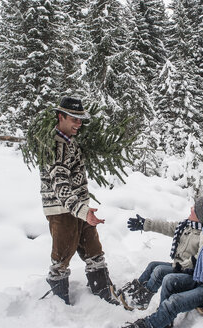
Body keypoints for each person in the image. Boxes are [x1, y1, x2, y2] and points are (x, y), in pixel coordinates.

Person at [122, 189, 203, 328]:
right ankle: (163, 321)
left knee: (174, 300)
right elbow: (200, 257)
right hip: (201, 278)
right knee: (169, 280)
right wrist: (182, 266)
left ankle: (149, 324)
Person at [39, 96, 119, 305]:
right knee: (62, 257)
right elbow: (61, 188)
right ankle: (59, 304)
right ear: (61, 116)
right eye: (74, 119)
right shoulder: (57, 147)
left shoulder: (69, 142)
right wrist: (82, 211)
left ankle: (103, 291)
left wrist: (83, 210)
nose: (79, 124)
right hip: (61, 211)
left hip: (80, 208)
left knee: (93, 250)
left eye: (80, 119)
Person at [118, 196, 203, 310]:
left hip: (190, 272)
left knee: (159, 271)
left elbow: (200, 259)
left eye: (194, 208)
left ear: (200, 215)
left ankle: (142, 300)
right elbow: (167, 227)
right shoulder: (187, 226)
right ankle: (132, 292)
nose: (191, 208)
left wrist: (184, 266)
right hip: (179, 266)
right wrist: (145, 224)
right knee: (152, 265)